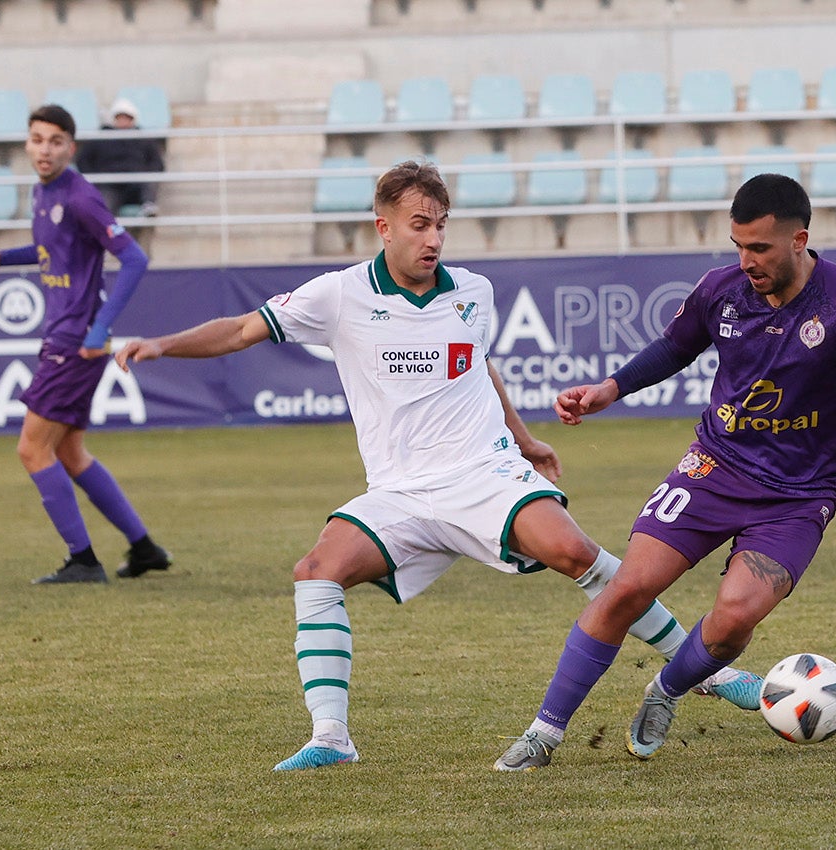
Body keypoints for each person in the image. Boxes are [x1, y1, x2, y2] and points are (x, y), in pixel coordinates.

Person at [113, 160, 748, 771]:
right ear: (383, 226)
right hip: (401, 493)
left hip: (482, 472)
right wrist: (163, 345)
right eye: (420, 223)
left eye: (441, 223)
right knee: (316, 571)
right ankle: (331, 735)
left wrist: (524, 441)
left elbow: (477, 365)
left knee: (576, 553)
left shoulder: (474, 291)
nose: (434, 237)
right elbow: (241, 331)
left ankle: (707, 672)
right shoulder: (338, 294)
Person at [494, 173, 836, 771]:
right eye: (738, 246)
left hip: (799, 497)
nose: (746, 260)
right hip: (713, 468)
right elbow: (675, 347)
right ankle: (542, 736)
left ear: (799, 240)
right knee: (627, 589)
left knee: (734, 620)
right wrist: (608, 390)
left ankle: (666, 690)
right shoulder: (722, 290)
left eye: (760, 249)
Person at [0, 103, 171, 585]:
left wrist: (100, 329)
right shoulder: (44, 193)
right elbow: (50, 251)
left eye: (55, 141)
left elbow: (134, 258)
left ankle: (83, 561)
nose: (45, 149)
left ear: (70, 147)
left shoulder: (79, 196)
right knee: (70, 453)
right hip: (69, 337)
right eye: (38, 139)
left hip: (74, 342)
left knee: (32, 449)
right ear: (27, 144)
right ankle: (144, 549)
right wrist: (2, 257)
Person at [74, 97, 164, 217]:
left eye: (127, 118)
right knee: (105, 208)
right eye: (120, 117)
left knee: (148, 183)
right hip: (109, 185)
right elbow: (83, 160)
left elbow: (157, 162)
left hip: (137, 184)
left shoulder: (144, 139)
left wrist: (144, 174)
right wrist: (97, 178)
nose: (123, 121)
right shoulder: (101, 138)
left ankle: (148, 205)